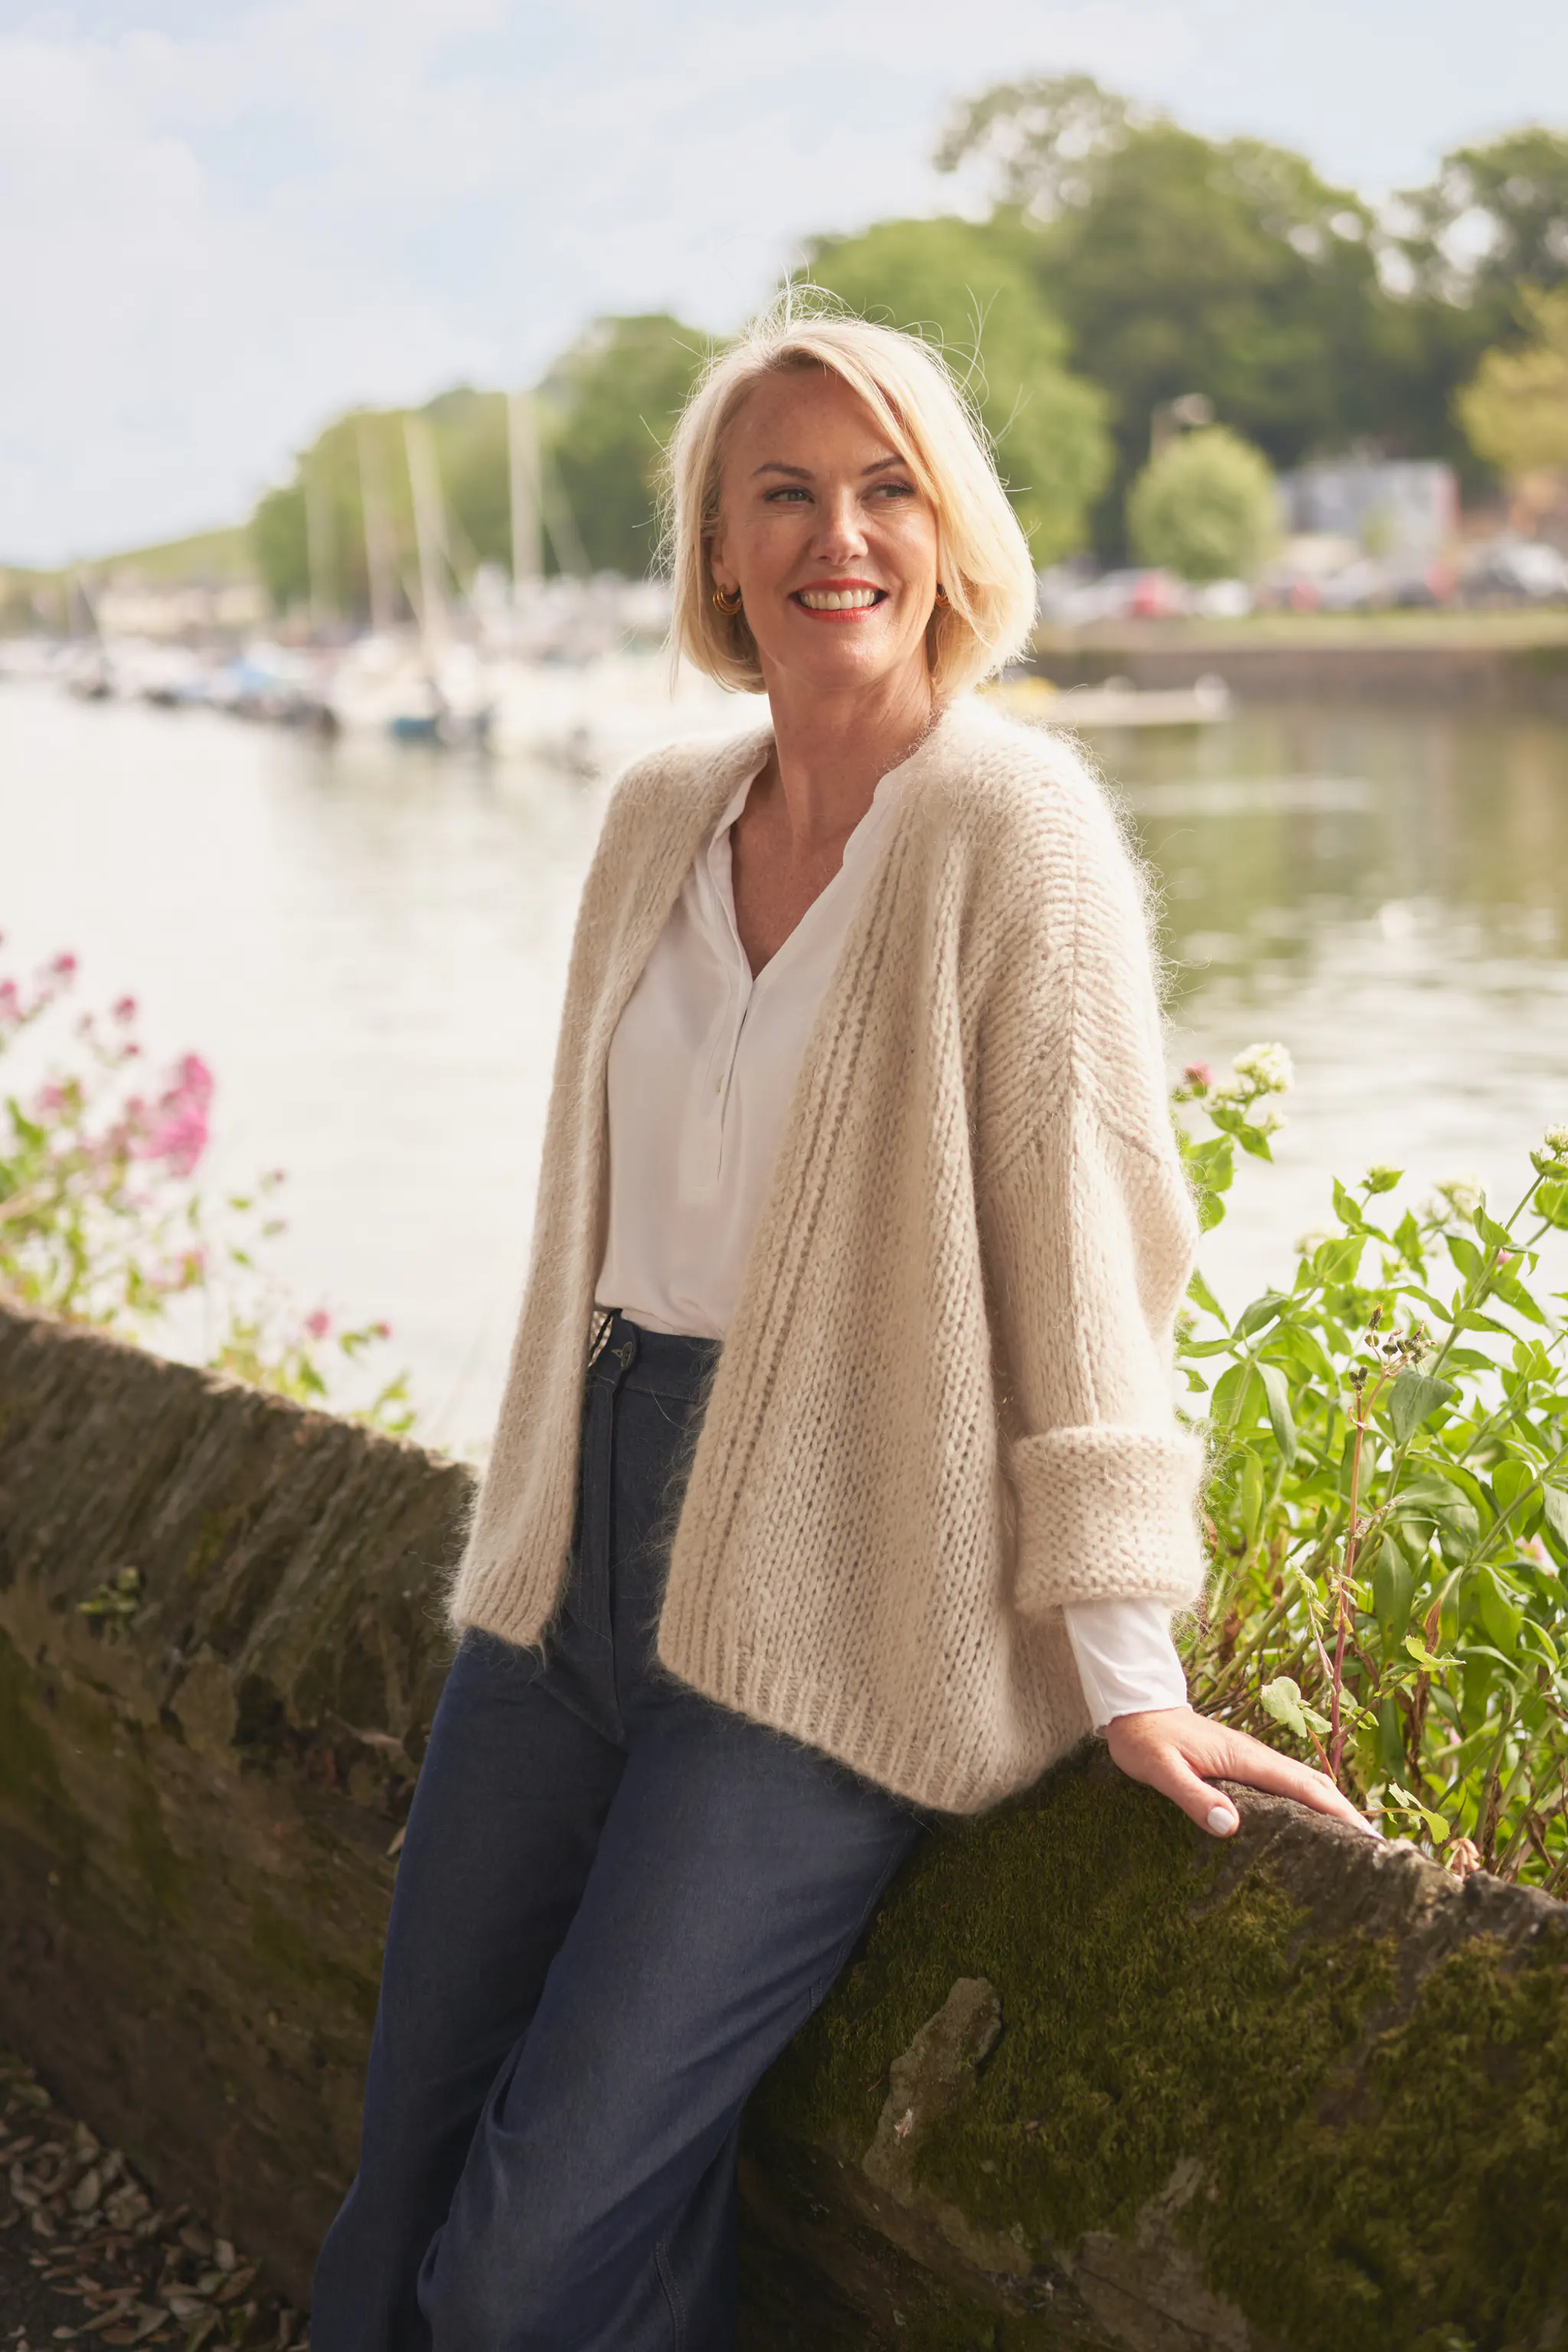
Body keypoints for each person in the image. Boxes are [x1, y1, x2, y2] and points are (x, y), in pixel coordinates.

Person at [312, 299, 1374, 2352]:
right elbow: (591, 1228)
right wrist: (545, 1531)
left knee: (526, 2262)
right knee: (399, 2188)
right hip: (562, 1573)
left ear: (951, 530)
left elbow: (1089, 1262)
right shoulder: (653, 817)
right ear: (718, 549)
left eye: (890, 488)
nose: (840, 536)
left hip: (835, 1596)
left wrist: (1126, 1667)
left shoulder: (1012, 828)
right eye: (783, 494)